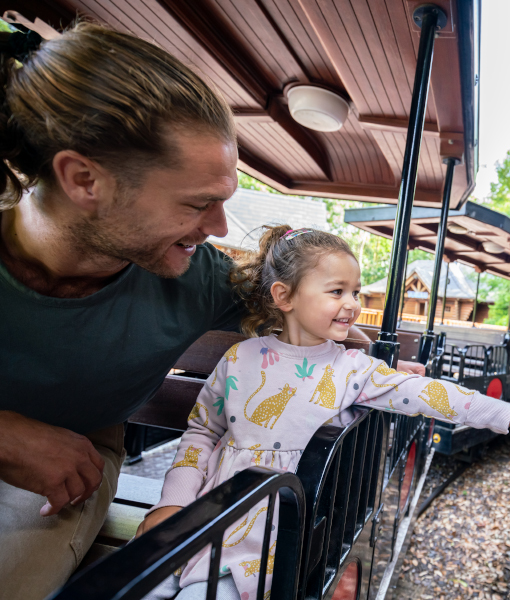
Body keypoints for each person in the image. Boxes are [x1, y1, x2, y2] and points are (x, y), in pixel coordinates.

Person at [0, 24, 416, 600]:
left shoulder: (198, 277)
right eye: (199, 203)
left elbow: (300, 298)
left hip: (71, 464)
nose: (220, 227)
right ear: (83, 179)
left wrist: (373, 367)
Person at [135, 226, 510, 600]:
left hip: (270, 529)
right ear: (283, 296)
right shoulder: (240, 358)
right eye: (337, 291)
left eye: (356, 291)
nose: (352, 303)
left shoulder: (353, 369)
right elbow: (201, 434)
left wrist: (508, 415)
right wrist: (172, 502)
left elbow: (428, 393)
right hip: (210, 509)